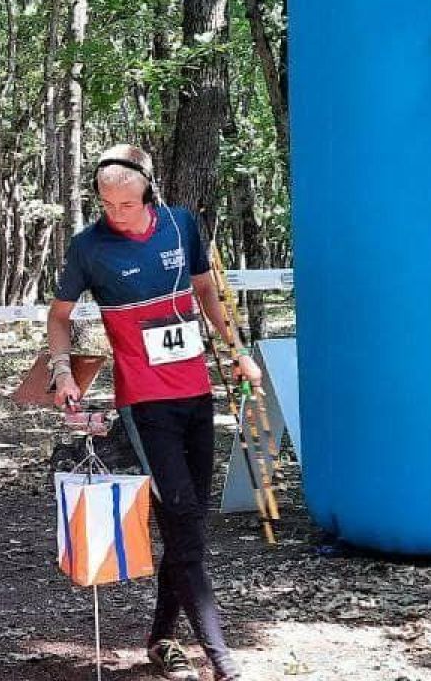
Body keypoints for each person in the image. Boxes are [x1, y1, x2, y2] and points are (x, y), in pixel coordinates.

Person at [46, 144, 260, 681]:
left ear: (148, 191)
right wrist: (63, 372)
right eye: (106, 204)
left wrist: (236, 350)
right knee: (183, 525)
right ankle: (222, 659)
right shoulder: (88, 247)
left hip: (196, 394)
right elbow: (59, 317)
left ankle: (162, 638)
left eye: (126, 204)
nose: (116, 214)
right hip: (144, 405)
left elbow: (207, 292)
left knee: (189, 529)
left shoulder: (180, 224)